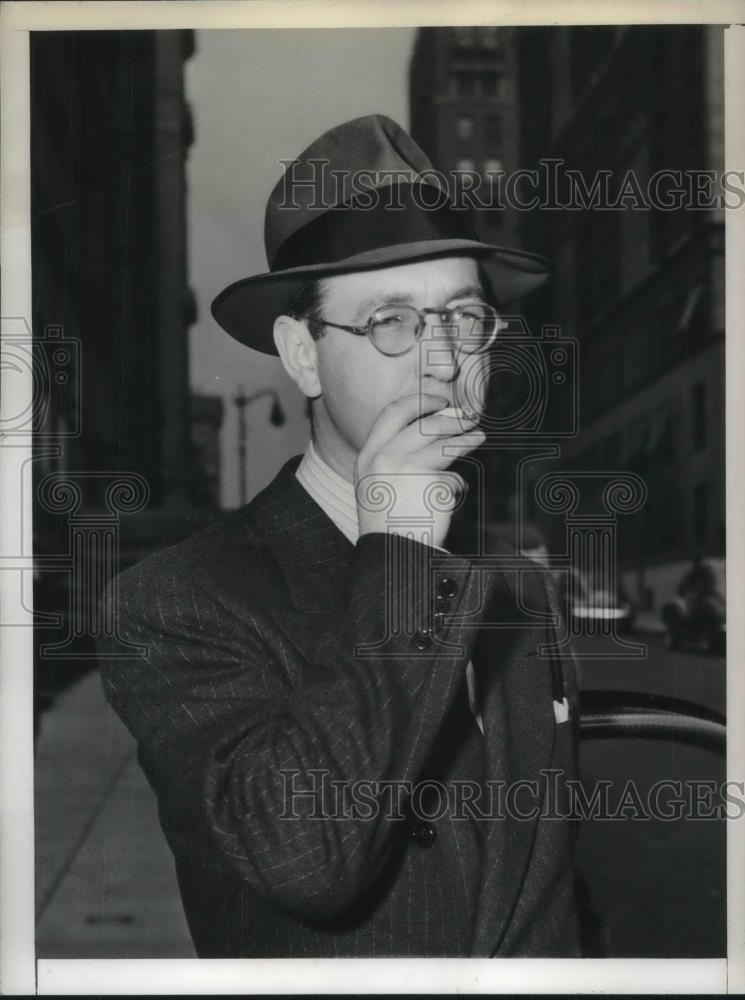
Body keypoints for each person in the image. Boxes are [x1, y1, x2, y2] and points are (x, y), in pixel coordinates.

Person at [98, 114, 581, 957]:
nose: (441, 360)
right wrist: (401, 554)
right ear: (304, 354)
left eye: (464, 318)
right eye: (390, 321)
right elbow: (307, 859)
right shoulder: (174, 601)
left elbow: (548, 899)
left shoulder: (519, 588)